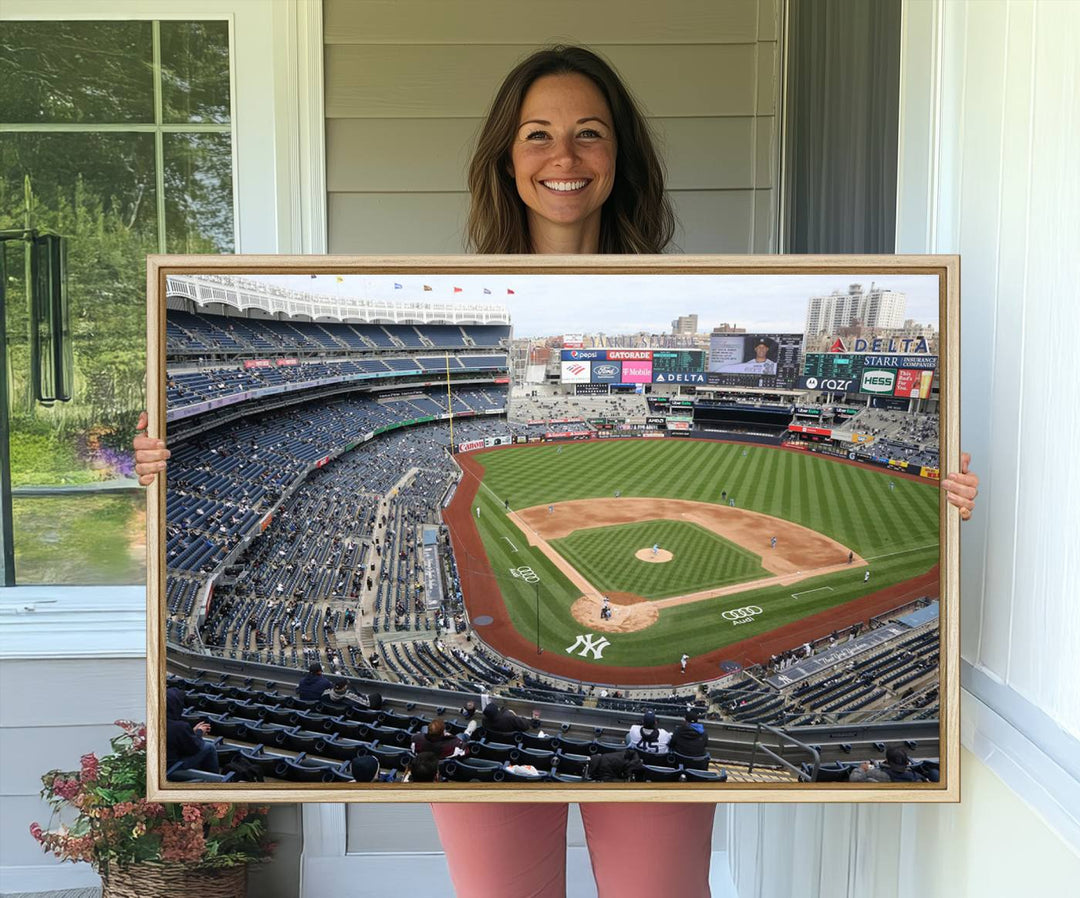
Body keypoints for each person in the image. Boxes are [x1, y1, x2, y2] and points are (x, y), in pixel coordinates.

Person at [134, 43, 981, 898]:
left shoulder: (696, 295)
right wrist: (159, 462)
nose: (563, 157)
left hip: (630, 740)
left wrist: (948, 493)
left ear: (621, 158)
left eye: (589, 134)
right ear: (507, 157)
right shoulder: (460, 291)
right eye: (537, 134)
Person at [165, 687, 219, 776]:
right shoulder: (179, 727)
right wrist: (199, 732)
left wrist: (191, 733)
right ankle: (215, 780)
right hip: (171, 770)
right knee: (209, 747)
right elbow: (194, 749)